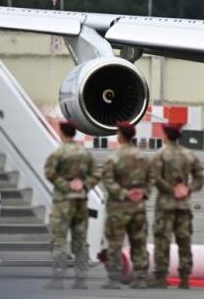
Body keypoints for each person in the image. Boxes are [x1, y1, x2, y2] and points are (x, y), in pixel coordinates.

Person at [43, 120, 100, 290]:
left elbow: (49, 173)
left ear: (62, 132)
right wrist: (84, 185)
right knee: (80, 239)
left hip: (62, 202)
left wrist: (65, 185)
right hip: (81, 201)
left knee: (59, 238)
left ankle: (59, 274)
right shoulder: (85, 153)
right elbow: (97, 174)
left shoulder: (58, 153)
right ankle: (81, 274)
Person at [148, 123, 204, 289]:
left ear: (166, 135)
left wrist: (171, 190)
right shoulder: (188, 155)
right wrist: (187, 189)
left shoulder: (160, 155)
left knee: (162, 240)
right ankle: (185, 278)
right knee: (184, 240)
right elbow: (199, 179)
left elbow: (155, 178)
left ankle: (161, 277)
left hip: (166, 204)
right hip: (184, 205)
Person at [101, 121, 152, 289]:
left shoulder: (113, 157)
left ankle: (113, 279)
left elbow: (108, 181)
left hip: (118, 208)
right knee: (138, 242)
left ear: (120, 135)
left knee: (115, 243)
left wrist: (124, 194)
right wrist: (142, 193)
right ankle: (140, 277)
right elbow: (151, 179)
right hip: (138, 207)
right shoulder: (143, 157)